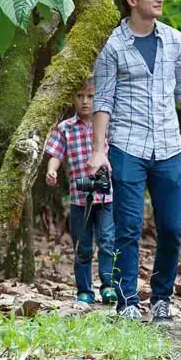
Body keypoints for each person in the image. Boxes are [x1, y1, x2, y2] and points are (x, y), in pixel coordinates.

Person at [90, 0, 181, 323]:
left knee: (172, 226)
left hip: (169, 146)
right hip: (128, 145)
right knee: (127, 226)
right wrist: (99, 150)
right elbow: (104, 100)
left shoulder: (173, 40)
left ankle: (161, 296)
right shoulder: (112, 45)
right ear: (132, 0)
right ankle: (127, 298)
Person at [45, 79, 115, 308]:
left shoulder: (107, 124)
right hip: (79, 196)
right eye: (80, 96)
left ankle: (108, 286)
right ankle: (84, 290)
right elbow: (56, 153)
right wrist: (51, 171)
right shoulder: (65, 128)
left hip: (105, 196)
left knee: (107, 241)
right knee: (82, 245)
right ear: (72, 99)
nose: (85, 101)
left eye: (91, 96)